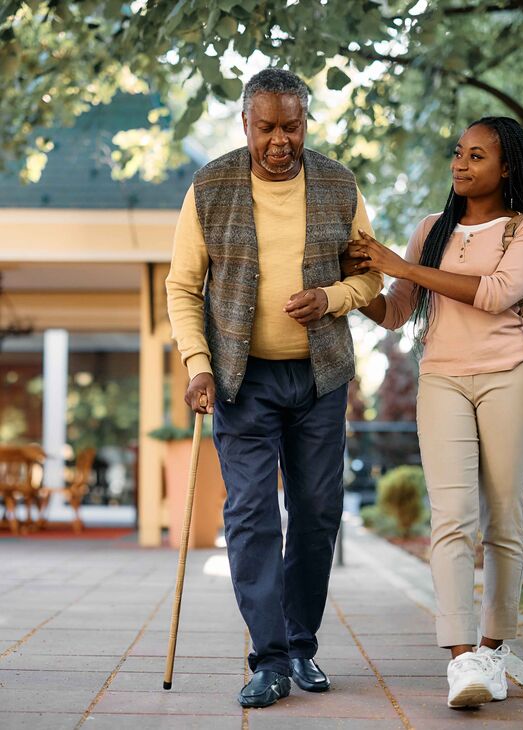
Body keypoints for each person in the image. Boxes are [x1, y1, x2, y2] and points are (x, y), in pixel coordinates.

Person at [166, 68, 382, 709]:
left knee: (317, 514)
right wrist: (196, 363)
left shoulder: (340, 184)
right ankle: (268, 659)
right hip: (241, 377)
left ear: (305, 123)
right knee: (252, 514)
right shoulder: (210, 186)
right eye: (268, 128)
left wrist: (332, 297)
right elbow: (183, 287)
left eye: (292, 126)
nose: (281, 140)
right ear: (246, 125)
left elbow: (370, 280)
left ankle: (301, 645)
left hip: (319, 378)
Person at [345, 116, 523, 709]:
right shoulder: (430, 230)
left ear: (507, 165)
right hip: (441, 381)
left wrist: (400, 265)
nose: (461, 164)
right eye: (458, 153)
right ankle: (462, 659)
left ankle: (494, 649)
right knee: (452, 519)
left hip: (508, 379)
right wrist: (353, 284)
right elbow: (394, 312)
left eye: (477, 156)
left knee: (504, 523)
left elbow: (493, 294)